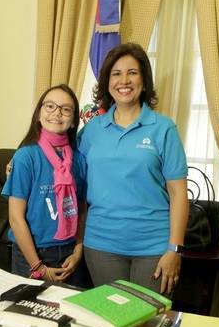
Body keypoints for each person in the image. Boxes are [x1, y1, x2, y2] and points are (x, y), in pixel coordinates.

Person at [78, 43, 189, 295]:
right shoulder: (93, 130)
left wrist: (175, 249)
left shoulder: (163, 129)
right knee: (110, 323)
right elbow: (60, 159)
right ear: (107, 81)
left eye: (132, 73)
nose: (124, 80)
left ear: (143, 80)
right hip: (101, 245)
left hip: (154, 247)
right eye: (116, 73)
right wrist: (17, 162)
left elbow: (178, 194)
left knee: (148, 324)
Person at [2, 84, 91, 288]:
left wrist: (78, 249)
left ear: (72, 121)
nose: (56, 113)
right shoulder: (26, 156)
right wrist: (38, 267)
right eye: (50, 106)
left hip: (70, 253)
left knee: (69, 314)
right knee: (30, 316)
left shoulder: (79, 160)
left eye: (65, 109)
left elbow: (82, 210)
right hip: (32, 254)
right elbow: (16, 218)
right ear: (39, 113)